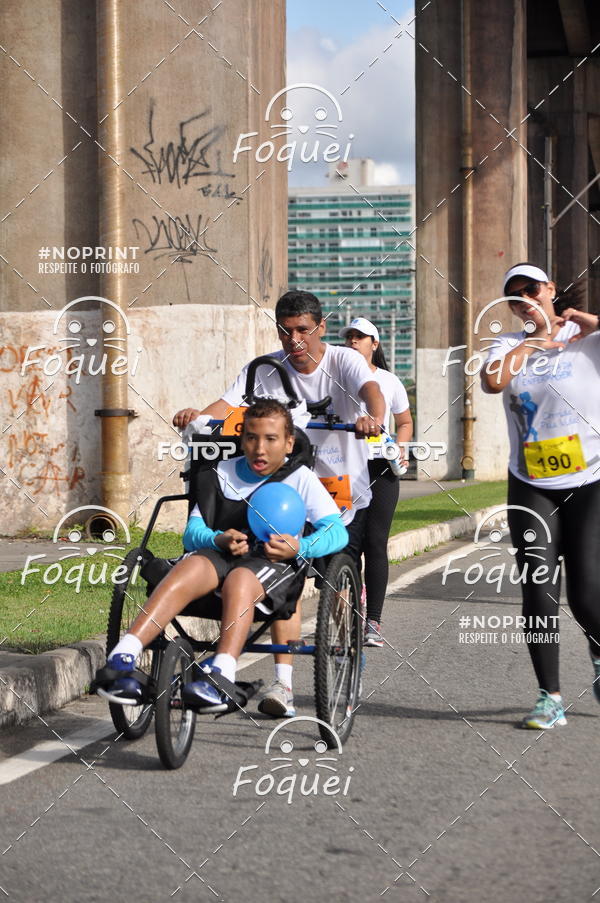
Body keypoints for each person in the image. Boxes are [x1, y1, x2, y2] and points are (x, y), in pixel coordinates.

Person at [173, 290, 385, 717]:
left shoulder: (343, 361)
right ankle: (283, 685)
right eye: (286, 331)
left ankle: (345, 639)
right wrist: (199, 417)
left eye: (303, 330)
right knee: (287, 574)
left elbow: (371, 389)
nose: (295, 340)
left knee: (335, 570)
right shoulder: (266, 369)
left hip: (340, 481)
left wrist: (372, 418)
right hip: (280, 480)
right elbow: (228, 403)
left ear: (320, 328)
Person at [94, 399, 348, 713]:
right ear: (242, 439)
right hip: (221, 555)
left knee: (240, 579)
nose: (260, 448)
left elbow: (337, 531)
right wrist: (218, 538)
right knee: (193, 565)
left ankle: (221, 674)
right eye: (252, 438)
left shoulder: (300, 479)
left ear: (289, 443)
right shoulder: (222, 471)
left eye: (271, 439)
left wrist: (301, 547)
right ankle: (123, 656)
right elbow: (192, 531)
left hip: (271, 566)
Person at [481, 262, 600, 729]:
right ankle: (549, 696)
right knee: (537, 589)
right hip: (531, 483)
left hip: (590, 479)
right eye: (515, 297)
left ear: (550, 289)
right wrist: (533, 342)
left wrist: (593, 324)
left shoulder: (587, 336)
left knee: (587, 592)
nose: (525, 300)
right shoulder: (508, 345)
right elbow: (493, 380)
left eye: (532, 289)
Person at [340, 317, 413, 646]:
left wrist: (402, 446)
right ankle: (348, 619)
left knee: (375, 542)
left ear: (374, 344)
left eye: (360, 336)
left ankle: (373, 623)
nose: (354, 341)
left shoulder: (389, 380)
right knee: (348, 545)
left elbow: (405, 421)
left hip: (381, 468)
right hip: (344, 469)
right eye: (350, 336)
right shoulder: (336, 378)